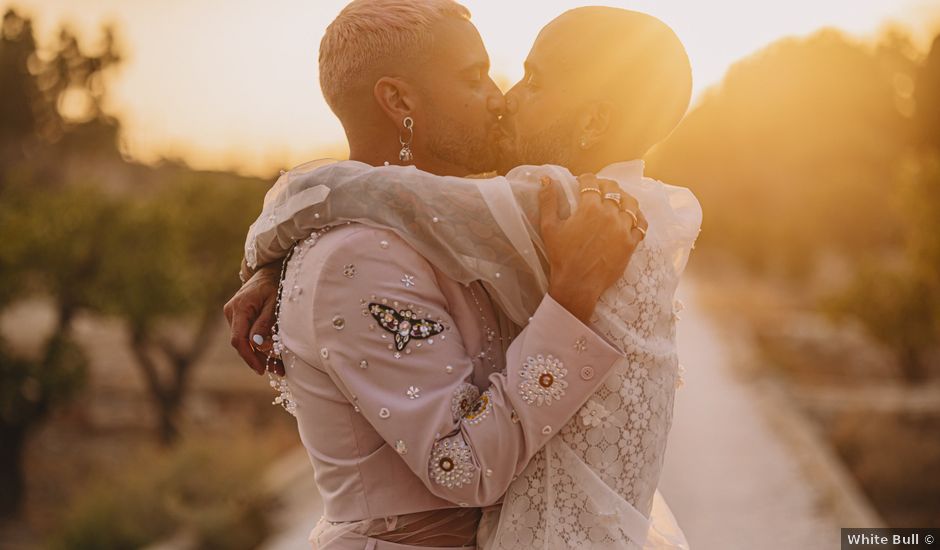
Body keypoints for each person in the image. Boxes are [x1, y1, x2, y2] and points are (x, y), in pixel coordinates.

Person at [224, 2, 700, 548]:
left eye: (522, 80)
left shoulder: (558, 216)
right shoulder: (357, 259)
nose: (501, 98)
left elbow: (374, 194)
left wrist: (274, 247)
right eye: (477, 79)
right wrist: (278, 258)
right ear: (399, 100)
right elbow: (461, 466)